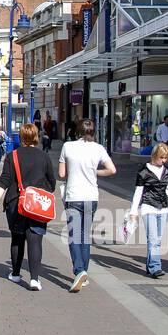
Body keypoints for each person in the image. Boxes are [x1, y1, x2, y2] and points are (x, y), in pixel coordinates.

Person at [0, 123, 55, 291]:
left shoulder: (13, 156)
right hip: (37, 205)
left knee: (17, 239)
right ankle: (34, 279)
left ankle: (16, 274)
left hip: (15, 203)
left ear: (21, 138)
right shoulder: (44, 157)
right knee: (35, 240)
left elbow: (4, 180)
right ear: (36, 137)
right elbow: (52, 183)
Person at [58, 117, 115, 292]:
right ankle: (84, 273)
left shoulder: (68, 146)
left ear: (77, 130)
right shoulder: (98, 148)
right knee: (84, 235)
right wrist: (95, 171)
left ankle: (79, 270)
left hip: (73, 195)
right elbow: (112, 169)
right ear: (93, 131)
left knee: (74, 235)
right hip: (91, 196)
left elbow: (61, 174)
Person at [127, 143, 168, 278]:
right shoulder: (143, 171)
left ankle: (150, 267)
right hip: (148, 207)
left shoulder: (166, 171)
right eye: (161, 157)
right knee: (153, 239)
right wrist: (133, 211)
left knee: (158, 239)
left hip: (163, 209)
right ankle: (155, 267)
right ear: (154, 155)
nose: (164, 160)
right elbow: (138, 192)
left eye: (166, 158)